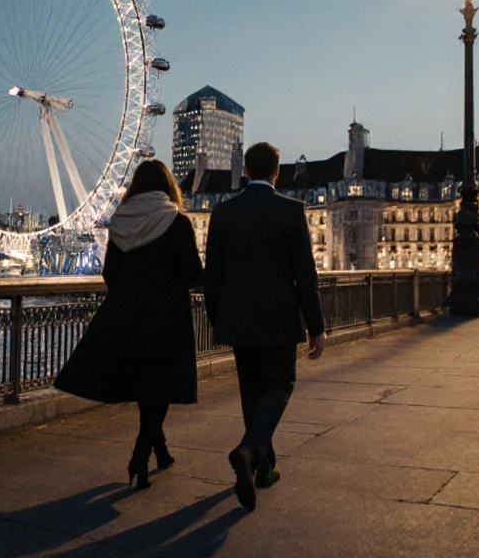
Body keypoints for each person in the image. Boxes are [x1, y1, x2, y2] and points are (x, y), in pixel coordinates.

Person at [53, 160, 202, 490]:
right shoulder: (176, 222)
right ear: (168, 186)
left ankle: (160, 450)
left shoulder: (120, 222)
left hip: (127, 313)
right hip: (167, 315)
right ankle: (141, 454)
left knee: (143, 383)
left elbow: (110, 273)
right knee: (160, 385)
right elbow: (192, 272)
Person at [204, 142, 325, 512]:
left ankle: (263, 469)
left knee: (252, 392)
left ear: (246, 172)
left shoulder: (223, 213)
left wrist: (217, 318)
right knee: (280, 383)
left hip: (238, 319)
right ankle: (251, 451)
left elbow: (213, 276)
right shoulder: (291, 211)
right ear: (277, 172)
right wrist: (316, 325)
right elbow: (306, 274)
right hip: (278, 318)